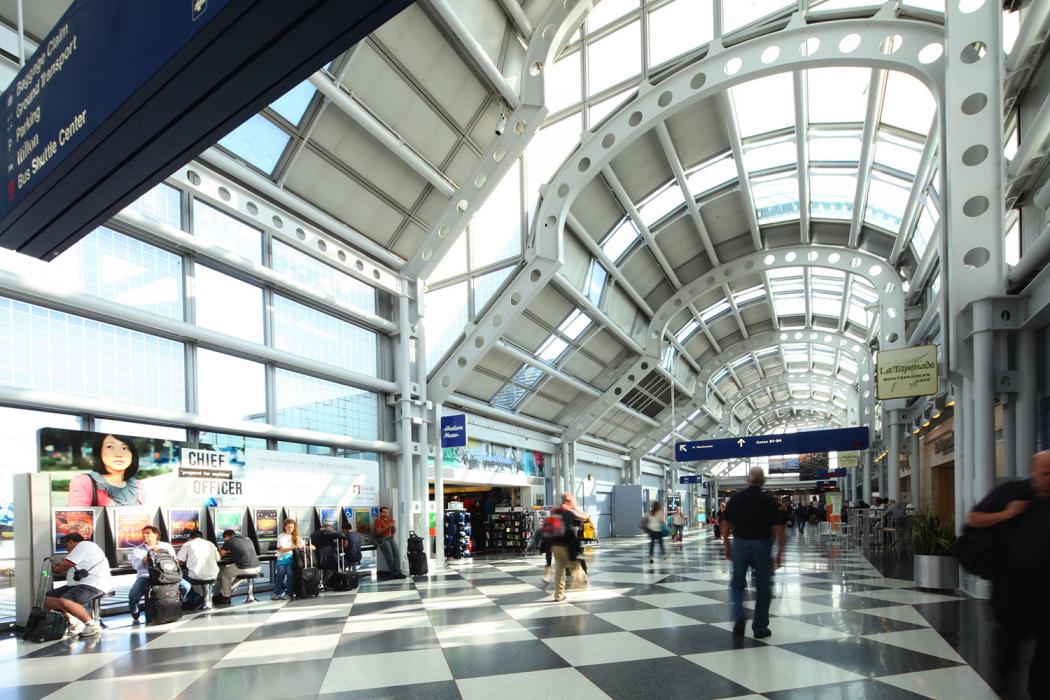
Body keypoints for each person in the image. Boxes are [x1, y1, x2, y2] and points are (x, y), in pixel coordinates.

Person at [967, 450, 1050, 698]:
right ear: (1033, 473)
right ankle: (1004, 690)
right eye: (1045, 474)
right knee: (1009, 648)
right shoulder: (1011, 492)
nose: (1048, 480)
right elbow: (974, 518)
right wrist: (1007, 514)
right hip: (1014, 583)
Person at [721, 467, 785, 639]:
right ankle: (760, 628)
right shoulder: (769, 501)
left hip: (740, 545)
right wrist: (779, 553)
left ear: (747, 480)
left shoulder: (736, 498)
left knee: (737, 585)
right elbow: (779, 529)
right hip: (763, 546)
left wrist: (726, 544)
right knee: (763, 588)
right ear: (763, 481)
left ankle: (739, 615)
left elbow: (725, 525)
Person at [44, 533, 111, 638]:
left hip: (92, 583)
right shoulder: (84, 549)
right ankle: (73, 620)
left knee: (66, 600)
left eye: (66, 546)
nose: (67, 550)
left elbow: (67, 564)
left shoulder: (84, 545)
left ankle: (91, 625)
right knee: (48, 598)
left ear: (71, 541)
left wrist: (56, 569)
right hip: (76, 584)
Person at [128, 525, 190, 622]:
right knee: (133, 594)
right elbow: (137, 566)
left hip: (166, 574)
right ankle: (134, 610)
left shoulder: (166, 546)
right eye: (143, 533)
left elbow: (174, 561)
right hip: (146, 575)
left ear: (156, 534)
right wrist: (149, 554)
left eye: (148, 533)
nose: (145, 535)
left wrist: (161, 552)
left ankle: (175, 601)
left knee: (186, 586)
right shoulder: (137, 550)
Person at [66, 434, 145, 506]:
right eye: (110, 447)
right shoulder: (84, 482)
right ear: (99, 451)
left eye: (125, 448)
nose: (118, 454)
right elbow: (77, 520)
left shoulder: (137, 485)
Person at [550, 492, 589, 603]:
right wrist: (575, 508)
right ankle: (583, 584)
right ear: (568, 501)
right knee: (575, 566)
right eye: (572, 500)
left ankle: (558, 595)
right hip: (566, 546)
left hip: (555, 544)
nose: (573, 502)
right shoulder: (568, 511)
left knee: (559, 570)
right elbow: (585, 517)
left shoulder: (555, 511)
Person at [213, 529, 260, 604]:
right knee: (239, 577)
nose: (224, 541)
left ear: (226, 537)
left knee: (224, 574)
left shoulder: (230, 541)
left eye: (224, 539)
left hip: (245, 567)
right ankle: (227, 592)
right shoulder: (247, 539)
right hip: (257, 567)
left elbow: (220, 554)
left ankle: (225, 596)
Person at [177, 529, 220, 608]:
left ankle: (195, 598)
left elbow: (179, 560)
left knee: (178, 579)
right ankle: (207, 601)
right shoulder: (211, 543)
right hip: (213, 574)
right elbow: (218, 558)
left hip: (196, 576)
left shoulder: (188, 544)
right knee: (205, 577)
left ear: (190, 537)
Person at [310, 521, 347, 586]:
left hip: (317, 557)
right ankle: (326, 582)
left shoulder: (313, 534)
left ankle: (326, 582)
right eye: (331, 529)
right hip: (326, 557)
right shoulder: (325, 533)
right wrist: (345, 539)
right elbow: (340, 534)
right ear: (327, 528)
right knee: (336, 564)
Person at [272, 519, 302, 600]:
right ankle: (276, 592)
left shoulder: (297, 537)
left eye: (292, 527)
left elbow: (301, 547)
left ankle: (289, 593)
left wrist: (311, 546)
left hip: (292, 558)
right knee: (281, 572)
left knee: (290, 574)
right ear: (284, 527)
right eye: (288, 527)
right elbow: (281, 549)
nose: (290, 529)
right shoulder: (281, 536)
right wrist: (292, 547)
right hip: (282, 558)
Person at [374, 506, 406, 578]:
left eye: (387, 512)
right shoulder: (378, 520)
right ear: (381, 513)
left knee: (397, 554)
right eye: (384, 512)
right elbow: (378, 532)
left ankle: (398, 572)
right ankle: (393, 573)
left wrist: (393, 526)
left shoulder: (389, 520)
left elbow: (393, 531)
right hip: (383, 539)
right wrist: (388, 526)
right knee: (390, 556)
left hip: (390, 538)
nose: (386, 514)